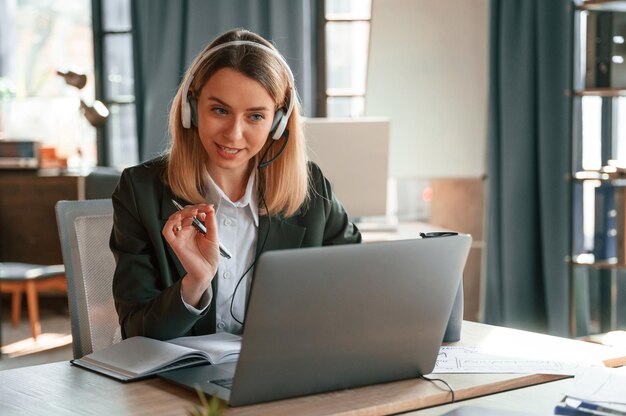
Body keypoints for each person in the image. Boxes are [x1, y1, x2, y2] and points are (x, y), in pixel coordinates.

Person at [110, 28, 362, 341]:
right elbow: (136, 332)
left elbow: (356, 290)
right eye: (219, 110)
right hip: (176, 383)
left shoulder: (313, 190)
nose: (233, 134)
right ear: (192, 109)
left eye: (255, 116)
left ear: (278, 123)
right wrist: (195, 284)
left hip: (281, 375)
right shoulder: (140, 191)